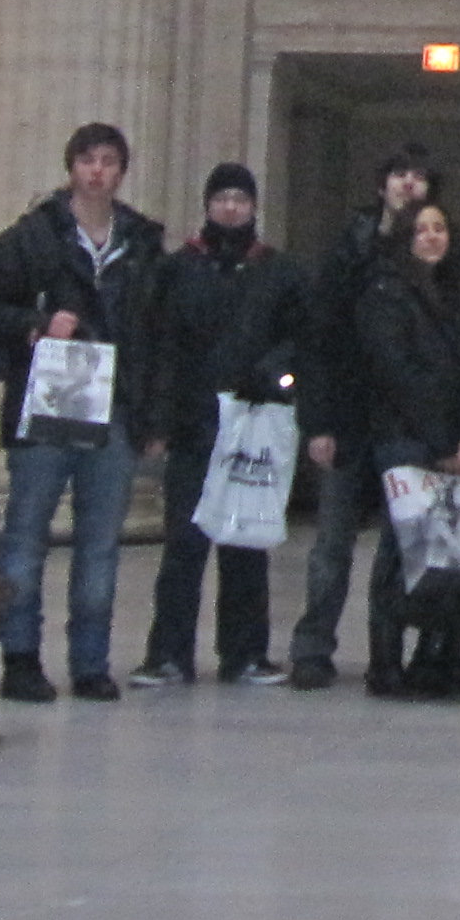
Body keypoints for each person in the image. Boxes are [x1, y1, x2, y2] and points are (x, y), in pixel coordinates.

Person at [0, 121, 168, 706]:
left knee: (100, 540)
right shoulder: (30, 237)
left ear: (121, 172)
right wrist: (33, 325)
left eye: (108, 162)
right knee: (26, 535)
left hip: (114, 407)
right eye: (87, 161)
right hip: (45, 405)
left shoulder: (142, 246)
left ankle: (90, 661)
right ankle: (21, 656)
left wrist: (153, 419)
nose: (97, 171)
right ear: (71, 168)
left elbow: (156, 337)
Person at [289, 144, 460, 691]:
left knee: (411, 542)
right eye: (400, 174)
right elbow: (321, 338)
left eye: (420, 177)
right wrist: (318, 420)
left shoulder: (450, 272)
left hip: (409, 425)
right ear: (382, 185)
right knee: (334, 541)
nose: (409, 185)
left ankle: (419, 650)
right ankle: (314, 647)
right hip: (354, 415)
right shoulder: (350, 250)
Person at [132, 161, 309, 687]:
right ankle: (168, 654)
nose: (231, 207)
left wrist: (276, 374)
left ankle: (246, 653)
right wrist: (156, 419)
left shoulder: (279, 272)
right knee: (184, 544)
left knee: (246, 544)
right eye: (222, 198)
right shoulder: (177, 269)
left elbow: (301, 337)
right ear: (208, 205)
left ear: (254, 207)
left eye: (240, 199)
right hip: (193, 422)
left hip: (253, 423)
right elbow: (157, 345)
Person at [355, 197, 460, 697]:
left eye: (440, 228)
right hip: (404, 440)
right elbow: (397, 375)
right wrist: (441, 441)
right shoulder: (385, 293)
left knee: (452, 551)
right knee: (401, 551)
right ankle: (385, 661)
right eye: (421, 229)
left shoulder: (457, 294)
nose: (432, 237)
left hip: (449, 441)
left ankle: (441, 659)